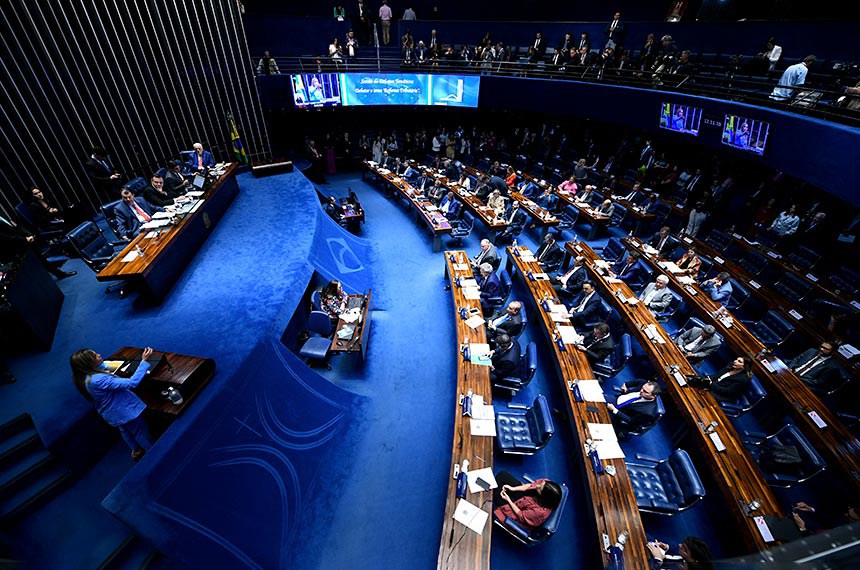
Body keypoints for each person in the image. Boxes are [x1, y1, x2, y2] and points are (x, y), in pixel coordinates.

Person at [70, 347, 155, 462]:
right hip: (125, 412)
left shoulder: (82, 378)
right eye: (95, 356)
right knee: (140, 432)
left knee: (125, 430)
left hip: (112, 413)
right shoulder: (98, 380)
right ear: (89, 364)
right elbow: (132, 382)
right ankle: (153, 455)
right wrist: (144, 361)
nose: (99, 354)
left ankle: (136, 450)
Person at [0, 214, 76, 279]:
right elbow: (6, 238)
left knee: (40, 258)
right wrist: (25, 239)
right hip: (12, 250)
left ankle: (58, 274)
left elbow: (16, 226)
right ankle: (57, 274)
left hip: (22, 243)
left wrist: (28, 235)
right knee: (32, 265)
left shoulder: (2, 215)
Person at [493, 472, 563, 530]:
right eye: (540, 485)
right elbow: (531, 486)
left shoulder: (539, 512)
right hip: (525, 497)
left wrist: (508, 500)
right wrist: (513, 488)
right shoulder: (546, 484)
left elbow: (521, 515)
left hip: (518, 510)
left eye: (540, 489)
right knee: (502, 475)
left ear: (544, 497)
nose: (537, 486)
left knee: (494, 489)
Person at [647, 536, 713, 570]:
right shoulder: (684, 559)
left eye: (684, 549)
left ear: (695, 561)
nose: (679, 545)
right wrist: (666, 549)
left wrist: (657, 561)